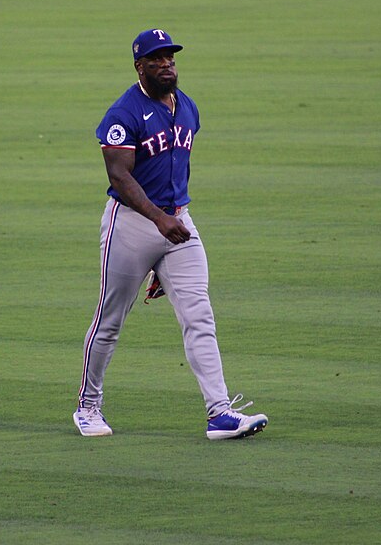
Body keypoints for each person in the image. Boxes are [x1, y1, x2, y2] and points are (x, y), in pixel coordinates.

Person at [73, 28, 268, 441]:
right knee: (110, 321)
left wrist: (167, 243)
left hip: (178, 223)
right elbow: (119, 176)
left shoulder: (188, 107)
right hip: (131, 224)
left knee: (200, 315)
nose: (167, 64)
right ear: (139, 66)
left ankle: (220, 413)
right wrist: (158, 223)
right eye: (157, 58)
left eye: (171, 57)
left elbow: (178, 168)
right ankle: (88, 406)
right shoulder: (122, 114)